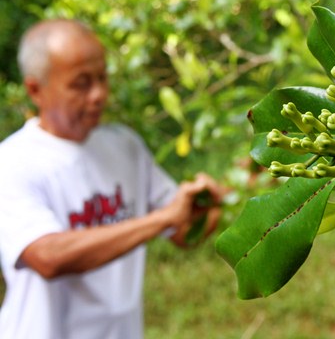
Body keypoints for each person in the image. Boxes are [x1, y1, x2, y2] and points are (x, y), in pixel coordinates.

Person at [0, 18, 223, 339]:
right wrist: (162, 219)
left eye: (102, 78)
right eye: (81, 83)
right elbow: (47, 256)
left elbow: (182, 232)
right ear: (36, 89)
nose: (99, 94)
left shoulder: (123, 145)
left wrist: (228, 193)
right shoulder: (13, 162)